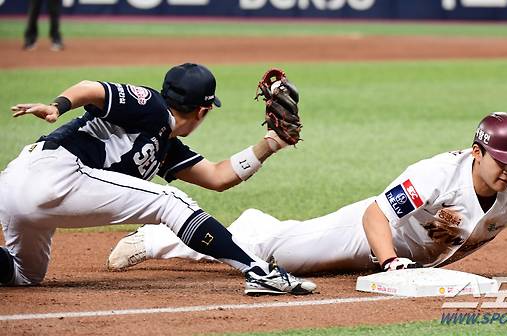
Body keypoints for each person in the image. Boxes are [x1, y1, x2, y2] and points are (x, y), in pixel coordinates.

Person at [107, 112, 507, 285]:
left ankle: (258, 225)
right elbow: (374, 213)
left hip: (401, 253)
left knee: (283, 247)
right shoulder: (437, 174)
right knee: (278, 255)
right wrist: (390, 263)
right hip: (366, 235)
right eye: (505, 162)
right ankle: (165, 237)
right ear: (480, 152)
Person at [0, 63, 316, 296]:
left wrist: (271, 143)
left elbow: (218, 176)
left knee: (24, 274)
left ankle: (259, 273)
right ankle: (259, 271)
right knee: (170, 200)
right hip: (54, 173)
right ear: (203, 110)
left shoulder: (166, 146)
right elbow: (90, 88)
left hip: (16, 184)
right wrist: (58, 106)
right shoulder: (151, 106)